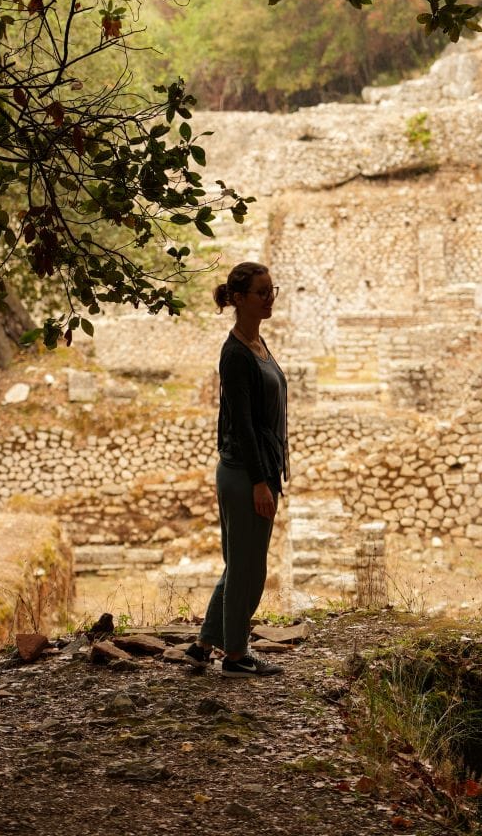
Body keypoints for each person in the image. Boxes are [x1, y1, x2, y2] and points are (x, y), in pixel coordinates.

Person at [183, 262, 289, 678]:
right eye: (261, 292)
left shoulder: (258, 343)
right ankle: (236, 656)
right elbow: (242, 426)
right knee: (250, 569)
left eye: (271, 289)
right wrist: (261, 483)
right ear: (239, 299)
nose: (269, 297)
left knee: (240, 564)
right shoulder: (235, 354)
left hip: (259, 469)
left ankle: (203, 645)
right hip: (246, 474)